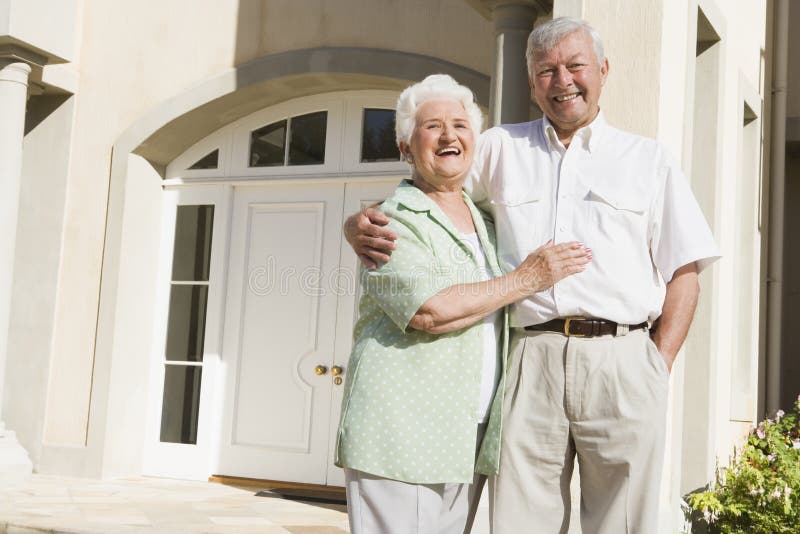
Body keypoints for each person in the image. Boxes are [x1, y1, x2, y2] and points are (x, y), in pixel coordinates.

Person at [344, 17, 720, 534]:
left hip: (623, 359)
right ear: (531, 83)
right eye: (547, 70)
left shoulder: (648, 160)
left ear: (603, 70)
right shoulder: (499, 147)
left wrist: (657, 364)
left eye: (575, 66)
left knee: (625, 522)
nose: (562, 80)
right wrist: (358, 221)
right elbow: (432, 184)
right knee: (522, 521)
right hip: (529, 358)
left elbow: (686, 270)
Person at [334, 74, 590, 534]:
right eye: (432, 126)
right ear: (406, 148)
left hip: (464, 432)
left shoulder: (486, 219)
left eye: (460, 125)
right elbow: (429, 311)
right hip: (402, 429)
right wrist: (527, 279)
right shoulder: (391, 221)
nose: (449, 135)